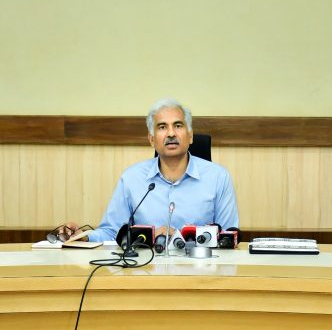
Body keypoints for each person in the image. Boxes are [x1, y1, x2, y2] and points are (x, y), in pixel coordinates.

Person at [63, 98, 239, 242]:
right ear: (151, 139)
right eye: (162, 127)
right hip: (145, 268)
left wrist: (184, 238)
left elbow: (229, 236)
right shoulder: (132, 178)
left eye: (178, 125)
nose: (171, 133)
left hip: (202, 269)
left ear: (190, 136)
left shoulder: (218, 178)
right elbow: (112, 233)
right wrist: (83, 237)